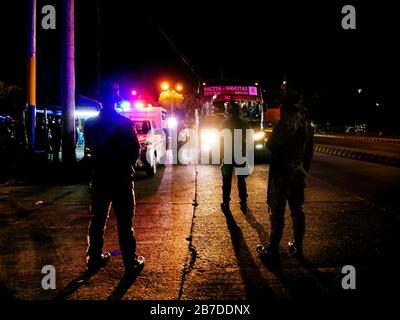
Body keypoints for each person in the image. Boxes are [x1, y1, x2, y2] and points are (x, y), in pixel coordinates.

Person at [84, 81, 145, 276]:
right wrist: (124, 164)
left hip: (100, 178)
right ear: (115, 101)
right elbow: (135, 151)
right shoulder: (125, 124)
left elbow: (91, 149)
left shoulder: (90, 124)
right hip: (121, 179)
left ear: (99, 100)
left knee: (97, 220)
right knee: (125, 223)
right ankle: (130, 262)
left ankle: (94, 259)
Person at [257, 90, 314, 261]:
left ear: (287, 106)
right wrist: (303, 171)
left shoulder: (286, 123)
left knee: (277, 211)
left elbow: (271, 145)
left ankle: (273, 249)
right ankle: (298, 246)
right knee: (297, 210)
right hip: (298, 174)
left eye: (282, 105)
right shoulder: (307, 125)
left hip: (281, 175)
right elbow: (309, 153)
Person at [220, 101, 252, 212]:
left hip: (228, 154)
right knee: (241, 179)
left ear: (229, 111)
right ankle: (243, 201)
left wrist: (222, 154)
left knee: (227, 179)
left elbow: (221, 139)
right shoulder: (244, 123)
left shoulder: (225, 123)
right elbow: (249, 139)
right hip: (240, 154)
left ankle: (225, 201)